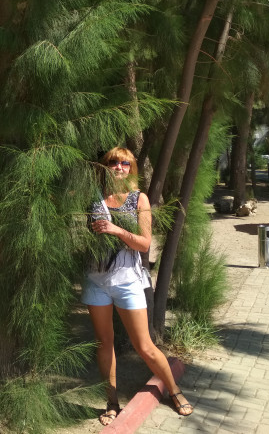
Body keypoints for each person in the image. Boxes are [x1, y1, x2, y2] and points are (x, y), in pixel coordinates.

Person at [82, 147, 193, 425]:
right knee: (104, 343)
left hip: (127, 280)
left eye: (125, 163)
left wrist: (116, 229)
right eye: (113, 162)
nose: (119, 167)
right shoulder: (93, 198)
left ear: (131, 168)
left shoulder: (138, 199)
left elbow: (144, 244)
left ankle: (174, 390)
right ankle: (111, 402)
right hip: (96, 280)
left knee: (144, 345)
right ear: (105, 166)